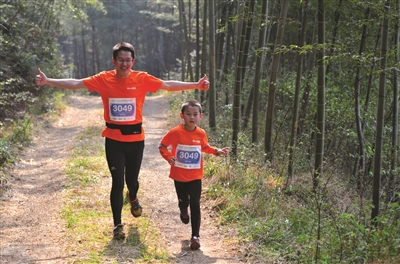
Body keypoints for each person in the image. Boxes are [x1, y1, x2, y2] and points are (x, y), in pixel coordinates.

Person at [35, 42, 209, 240]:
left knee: (131, 182)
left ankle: (133, 197)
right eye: (120, 60)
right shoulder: (103, 79)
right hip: (113, 140)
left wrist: (196, 84)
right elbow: (76, 83)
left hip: (136, 140)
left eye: (128, 60)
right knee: (117, 182)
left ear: (133, 61)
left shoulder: (141, 78)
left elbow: (168, 85)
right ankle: (118, 225)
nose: (124, 64)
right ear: (114, 61)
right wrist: (48, 81)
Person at [158, 100, 229, 250]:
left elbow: (204, 147)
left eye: (195, 114)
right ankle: (183, 209)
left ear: (200, 116)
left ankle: (195, 236)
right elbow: (162, 146)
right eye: (188, 114)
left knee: (195, 204)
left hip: (196, 175)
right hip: (179, 175)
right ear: (182, 115)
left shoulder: (201, 133)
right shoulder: (175, 132)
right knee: (184, 201)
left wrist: (217, 151)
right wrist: (169, 157)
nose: (192, 117)